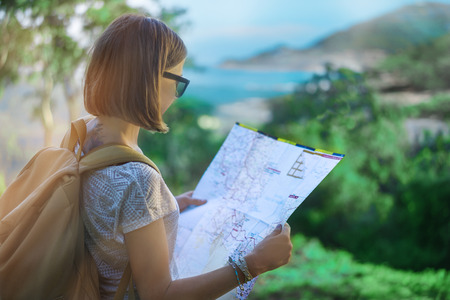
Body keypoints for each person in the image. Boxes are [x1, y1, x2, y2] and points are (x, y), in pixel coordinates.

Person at [80, 14, 292, 299]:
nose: (177, 94)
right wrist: (253, 265)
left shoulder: (85, 135)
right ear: (150, 80)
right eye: (178, 81)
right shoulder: (138, 178)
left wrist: (165, 210)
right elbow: (159, 295)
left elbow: (108, 222)